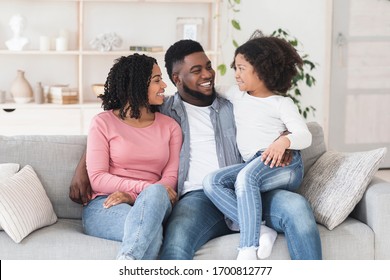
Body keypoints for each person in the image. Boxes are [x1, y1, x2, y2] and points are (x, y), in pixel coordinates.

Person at [70, 39, 322, 260]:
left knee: (297, 208)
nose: (208, 74)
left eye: (209, 66)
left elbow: (268, 114)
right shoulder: (164, 110)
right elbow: (119, 121)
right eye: (196, 70)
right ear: (176, 79)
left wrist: (284, 138)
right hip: (197, 197)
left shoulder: (233, 102)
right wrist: (83, 166)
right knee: (176, 245)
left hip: (245, 190)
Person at [202, 35, 312, 260]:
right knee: (212, 181)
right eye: (235, 68)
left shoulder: (281, 103)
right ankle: (262, 229)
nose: (236, 74)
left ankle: (247, 248)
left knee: (245, 178)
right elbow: (207, 88)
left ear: (262, 70)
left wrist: (283, 142)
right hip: (254, 164)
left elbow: (304, 135)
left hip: (285, 166)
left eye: (242, 68)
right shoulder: (236, 94)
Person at [82, 54, 182, 260]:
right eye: (156, 80)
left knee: (154, 197)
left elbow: (170, 181)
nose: (164, 84)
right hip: (106, 204)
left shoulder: (170, 127)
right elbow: (98, 178)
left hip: (155, 203)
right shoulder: (103, 123)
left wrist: (134, 195)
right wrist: (145, 189)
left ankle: (126, 263)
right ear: (135, 85)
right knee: (151, 235)